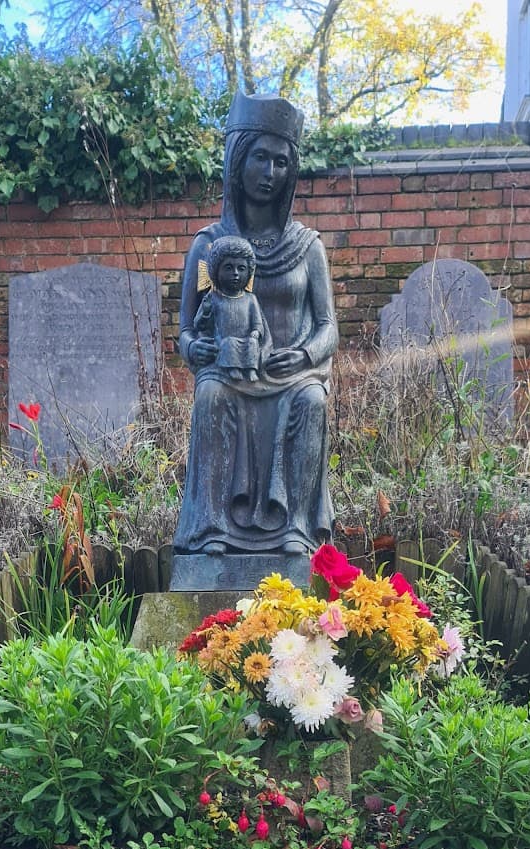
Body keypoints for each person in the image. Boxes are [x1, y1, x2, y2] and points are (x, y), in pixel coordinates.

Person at [174, 92, 338, 560]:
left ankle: (298, 530)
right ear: (238, 161)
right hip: (228, 373)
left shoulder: (307, 247)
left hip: (291, 374)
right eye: (260, 159)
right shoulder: (210, 245)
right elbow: (186, 329)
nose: (270, 173)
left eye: (282, 162)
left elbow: (328, 328)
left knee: (311, 400)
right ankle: (211, 529)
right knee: (210, 395)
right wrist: (196, 350)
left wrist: (304, 355)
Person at [193, 235, 269, 385]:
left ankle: (250, 369)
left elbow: (257, 323)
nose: (235, 273)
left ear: (249, 272)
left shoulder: (250, 299)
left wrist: (255, 333)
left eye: (241, 268)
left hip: (247, 340)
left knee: (252, 345)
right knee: (229, 344)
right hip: (223, 341)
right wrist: (206, 311)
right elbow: (199, 325)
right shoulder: (213, 298)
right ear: (216, 271)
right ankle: (233, 368)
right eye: (229, 268)